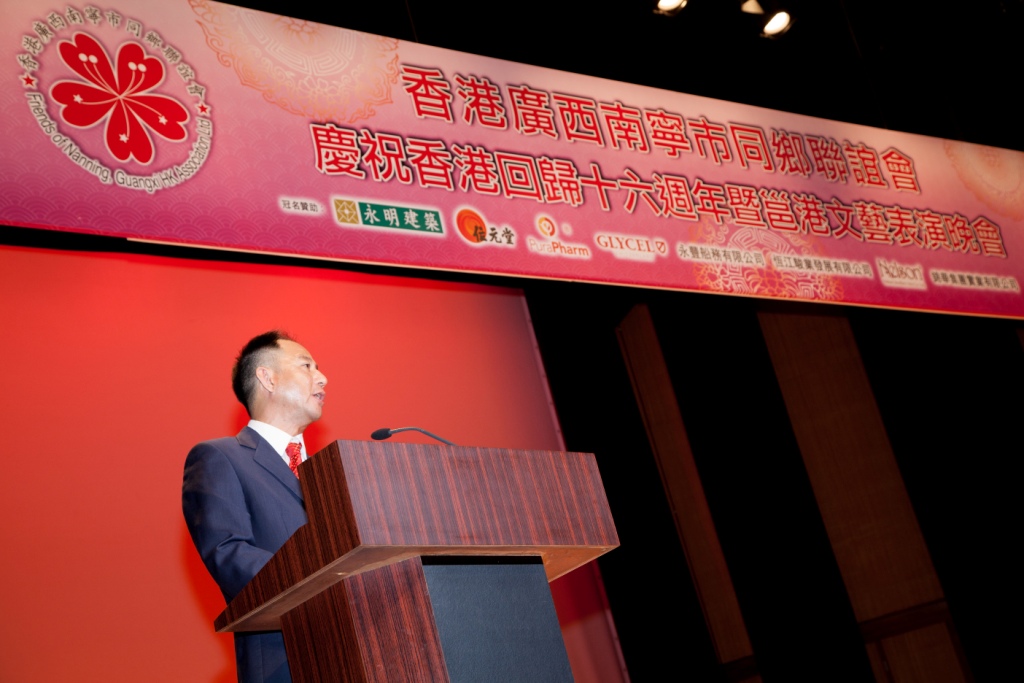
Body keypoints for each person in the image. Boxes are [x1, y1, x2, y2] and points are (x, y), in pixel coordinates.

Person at [182, 331, 328, 683]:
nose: (323, 378)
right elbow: (229, 552)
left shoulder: (329, 470)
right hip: (283, 660)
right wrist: (327, 580)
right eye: (307, 366)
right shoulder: (220, 457)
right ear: (267, 378)